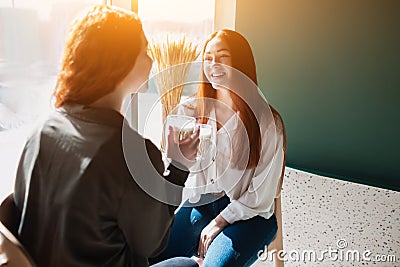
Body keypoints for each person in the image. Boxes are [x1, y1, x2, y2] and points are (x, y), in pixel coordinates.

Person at [12, 5, 199, 267]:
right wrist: (178, 167)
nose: (152, 60)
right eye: (144, 51)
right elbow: (154, 243)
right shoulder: (129, 154)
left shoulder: (44, 129)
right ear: (120, 62)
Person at [150, 29, 286, 267]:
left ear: (240, 63)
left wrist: (220, 222)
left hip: (251, 216)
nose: (213, 64)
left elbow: (261, 199)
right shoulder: (196, 110)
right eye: (208, 57)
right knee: (150, 254)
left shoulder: (266, 122)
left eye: (222, 56)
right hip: (204, 205)